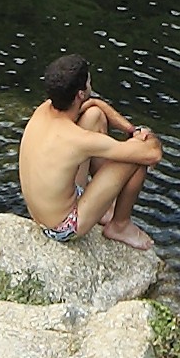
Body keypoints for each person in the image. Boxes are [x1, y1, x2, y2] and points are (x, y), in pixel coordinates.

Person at [18, 53, 167, 243]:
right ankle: (120, 226)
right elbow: (152, 154)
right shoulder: (78, 140)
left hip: (45, 209)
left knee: (94, 115)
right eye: (88, 80)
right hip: (61, 227)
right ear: (81, 93)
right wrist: (146, 135)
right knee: (135, 158)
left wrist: (129, 129)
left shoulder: (45, 109)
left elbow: (92, 104)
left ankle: (105, 209)